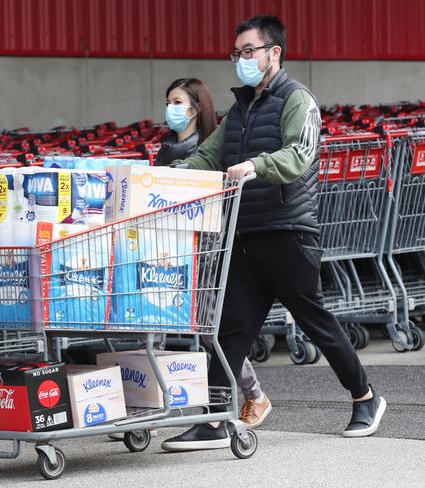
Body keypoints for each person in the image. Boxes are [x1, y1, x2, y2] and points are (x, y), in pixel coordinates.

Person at [161, 15, 386, 452]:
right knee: (229, 330)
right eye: (236, 53)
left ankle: (366, 399)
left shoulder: (298, 100)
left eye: (249, 51)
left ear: (273, 53)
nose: (241, 60)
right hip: (246, 235)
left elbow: (299, 154)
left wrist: (256, 165)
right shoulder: (240, 110)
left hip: (288, 232)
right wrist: (162, 176)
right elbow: (206, 156)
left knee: (315, 322)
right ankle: (214, 420)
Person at [158, 77, 272, 429]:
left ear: (194, 108)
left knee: (210, 330)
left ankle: (254, 394)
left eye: (177, 102)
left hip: (205, 248)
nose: (171, 108)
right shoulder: (166, 149)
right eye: (168, 101)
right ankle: (151, 405)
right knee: (153, 324)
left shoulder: (206, 150)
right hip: (166, 248)